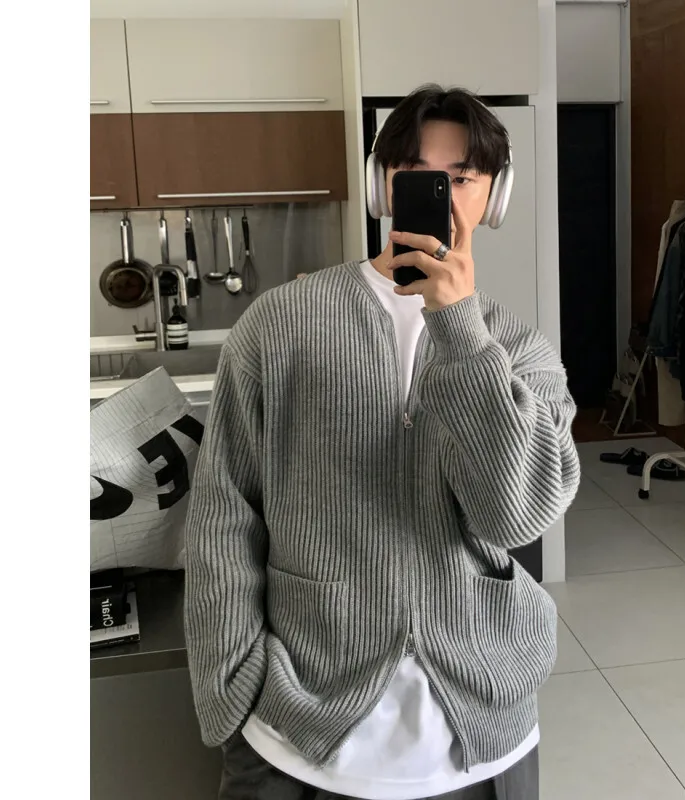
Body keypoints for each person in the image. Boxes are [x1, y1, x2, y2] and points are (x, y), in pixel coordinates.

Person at [185, 84, 580, 800]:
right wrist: (231, 697)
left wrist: (460, 329)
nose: (441, 194)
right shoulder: (281, 323)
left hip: (481, 728)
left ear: (493, 197)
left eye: (462, 177)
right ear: (382, 186)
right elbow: (222, 515)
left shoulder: (518, 348)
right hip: (296, 727)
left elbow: (518, 517)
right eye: (417, 173)